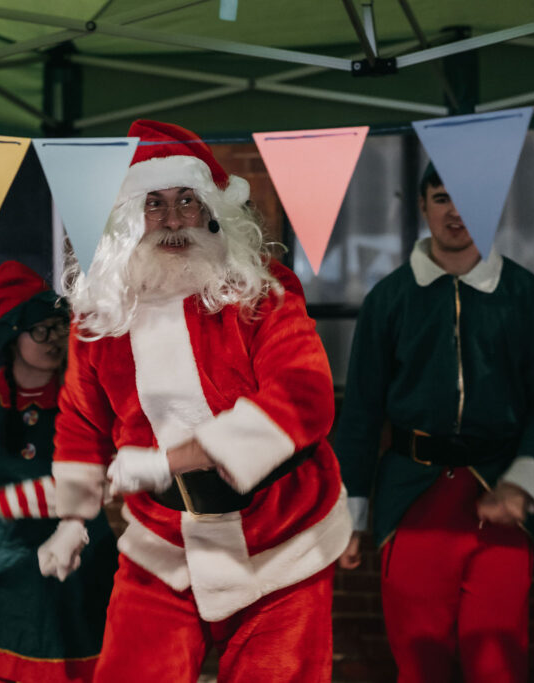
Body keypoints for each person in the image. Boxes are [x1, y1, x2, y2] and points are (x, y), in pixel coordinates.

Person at [39, 119, 350, 683]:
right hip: (162, 539)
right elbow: (82, 420)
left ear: (213, 210)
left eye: (187, 199)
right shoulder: (103, 315)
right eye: (154, 204)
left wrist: (173, 458)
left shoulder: (262, 294)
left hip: (281, 540)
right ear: (129, 219)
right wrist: (71, 518)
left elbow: (304, 395)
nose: (174, 219)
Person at [333, 164, 534, 682]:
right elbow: (360, 413)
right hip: (412, 499)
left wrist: (524, 482)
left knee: (497, 660)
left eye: (469, 197)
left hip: (501, 498)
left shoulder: (526, 296)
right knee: (421, 662)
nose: (456, 211)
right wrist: (350, 515)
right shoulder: (389, 300)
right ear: (422, 206)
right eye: (442, 197)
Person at [0, 260, 116, 683]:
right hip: (2, 571)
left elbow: (100, 481)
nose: (55, 339)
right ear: (12, 338)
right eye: (41, 330)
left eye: (59, 325)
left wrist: (11, 499)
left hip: (77, 567)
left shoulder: (88, 398)